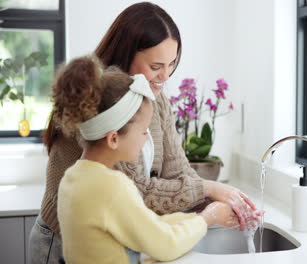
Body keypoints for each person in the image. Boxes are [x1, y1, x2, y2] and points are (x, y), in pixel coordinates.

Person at [29, 2, 260, 263]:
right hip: (60, 241)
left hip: (112, 236)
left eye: (172, 63)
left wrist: (216, 204)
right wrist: (207, 201)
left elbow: (178, 170)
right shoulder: (103, 102)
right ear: (126, 54)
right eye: (156, 66)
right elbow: (138, 193)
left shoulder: (154, 99)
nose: (166, 75)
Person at [53, 55, 238, 263]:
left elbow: (149, 225)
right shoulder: (113, 187)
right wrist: (208, 217)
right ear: (113, 138)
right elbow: (166, 245)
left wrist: (199, 217)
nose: (146, 142)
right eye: (143, 132)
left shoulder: (73, 177)